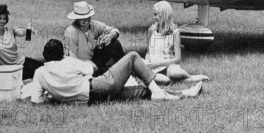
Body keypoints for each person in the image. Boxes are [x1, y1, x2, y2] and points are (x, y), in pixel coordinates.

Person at [30, 39, 202, 104]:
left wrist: (56, 95)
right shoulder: (68, 61)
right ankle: (159, 92)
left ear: (45, 56)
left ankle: (185, 93)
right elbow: (93, 68)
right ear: (61, 53)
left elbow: (37, 100)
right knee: (133, 56)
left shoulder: (39, 73)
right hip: (97, 87)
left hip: (90, 100)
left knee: (142, 92)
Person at [145, 1, 209, 84]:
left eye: (155, 14)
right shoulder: (151, 30)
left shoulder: (175, 32)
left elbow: (177, 59)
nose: (153, 17)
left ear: (163, 16)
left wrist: (159, 63)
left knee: (174, 73)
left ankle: (191, 77)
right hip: (154, 68)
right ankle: (177, 80)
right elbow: (148, 53)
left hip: (169, 66)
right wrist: (148, 65)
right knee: (165, 80)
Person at [63, 1, 125, 77]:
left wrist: (110, 36)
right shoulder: (71, 32)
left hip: (95, 60)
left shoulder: (94, 25)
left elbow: (115, 30)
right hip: (82, 66)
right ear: (76, 19)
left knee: (115, 43)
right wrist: (88, 64)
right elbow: (71, 60)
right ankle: (113, 72)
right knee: (109, 71)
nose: (86, 20)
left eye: (88, 17)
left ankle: (124, 68)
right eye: (83, 18)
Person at [0, 4, 43, 80]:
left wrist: (29, 30)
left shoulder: (11, 30)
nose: (2, 21)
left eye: (4, 18)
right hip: (11, 71)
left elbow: (21, 31)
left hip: (23, 62)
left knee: (45, 71)